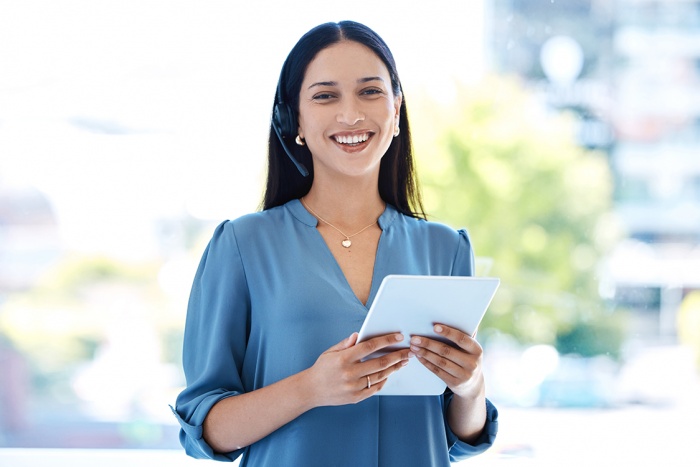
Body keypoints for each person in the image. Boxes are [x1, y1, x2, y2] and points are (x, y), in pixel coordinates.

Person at [171, 20, 498, 466]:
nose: (351, 115)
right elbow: (203, 429)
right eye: (326, 95)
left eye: (370, 92)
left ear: (396, 110)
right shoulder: (243, 246)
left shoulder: (446, 249)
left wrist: (471, 384)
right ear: (294, 119)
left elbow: (458, 436)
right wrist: (310, 388)